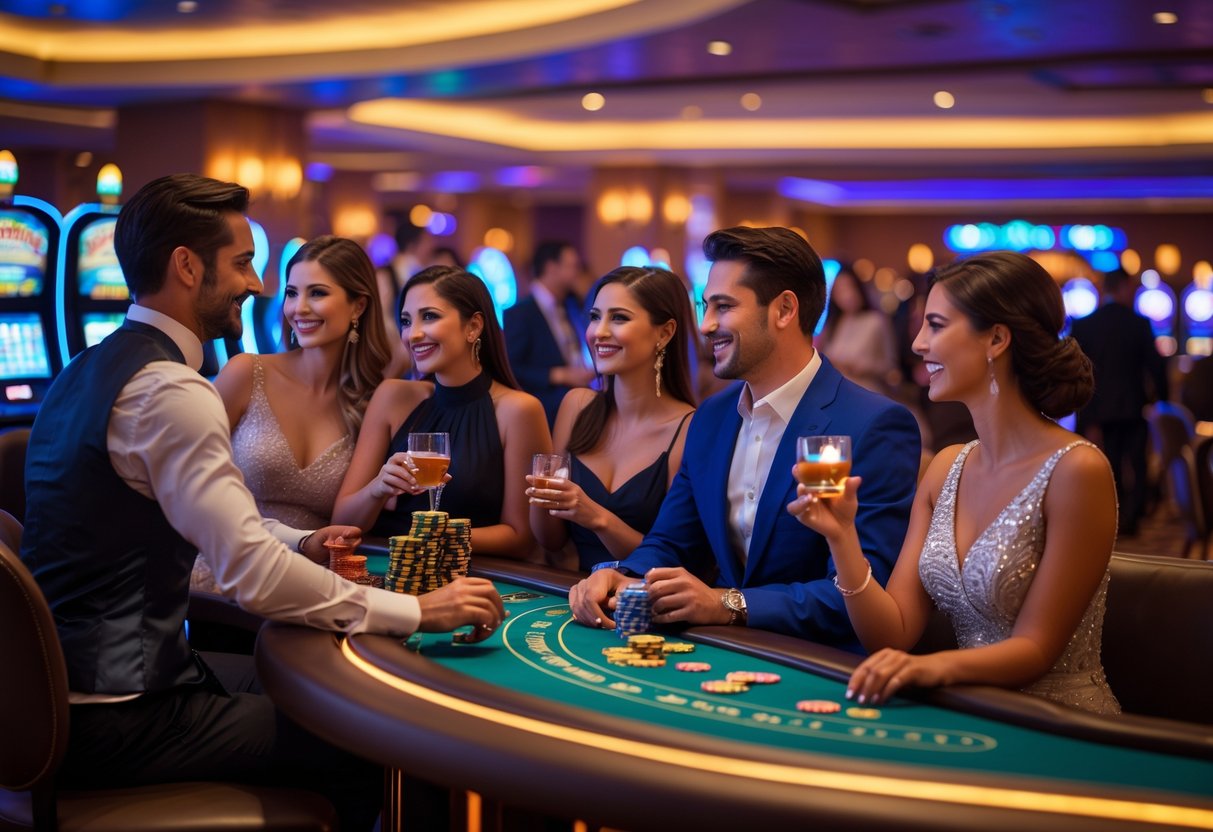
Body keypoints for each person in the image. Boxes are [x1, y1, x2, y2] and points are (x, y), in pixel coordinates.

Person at [18, 174, 505, 831]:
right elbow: (249, 571)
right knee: (373, 735)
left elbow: (220, 523)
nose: (256, 285)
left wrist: (304, 541)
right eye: (243, 263)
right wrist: (414, 610)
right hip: (117, 715)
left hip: (57, 697)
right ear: (187, 268)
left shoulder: (87, 367)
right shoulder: (170, 391)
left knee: (319, 692)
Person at [788, 251, 1120, 715]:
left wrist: (931, 670)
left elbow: (1036, 649)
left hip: (1060, 725)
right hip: (971, 710)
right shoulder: (945, 467)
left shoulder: (1077, 470)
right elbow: (894, 632)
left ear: (996, 339)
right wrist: (842, 537)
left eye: (937, 326)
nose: (919, 343)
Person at [568, 227, 920, 646]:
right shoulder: (714, 416)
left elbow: (861, 592)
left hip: (823, 666)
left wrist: (728, 603)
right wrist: (621, 572)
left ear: (784, 310)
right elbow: (672, 541)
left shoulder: (869, 424)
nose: (704, 325)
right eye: (704, 306)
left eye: (723, 307)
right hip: (729, 652)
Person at [190, 236, 394, 593]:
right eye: (291, 293)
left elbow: (349, 526)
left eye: (317, 293)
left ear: (358, 306)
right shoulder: (246, 372)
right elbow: (187, 485)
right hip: (224, 579)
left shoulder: (371, 402)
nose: (299, 308)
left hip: (313, 587)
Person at [334, 265, 550, 558]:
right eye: (406, 321)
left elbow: (521, 537)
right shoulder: (393, 396)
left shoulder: (518, 410)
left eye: (430, 316)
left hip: (468, 578)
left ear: (473, 326)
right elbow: (341, 523)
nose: (413, 334)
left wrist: (435, 533)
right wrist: (378, 488)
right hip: (383, 569)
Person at [528, 266, 696, 572]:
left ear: (665, 332)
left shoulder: (689, 429)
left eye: (619, 318)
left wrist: (596, 517)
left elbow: (675, 565)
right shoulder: (577, 405)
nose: (599, 332)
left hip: (644, 607)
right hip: (572, 597)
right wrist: (542, 498)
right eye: (595, 316)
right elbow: (550, 541)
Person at [1071, 267, 1168, 536]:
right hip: (1132, 407)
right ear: (1125, 287)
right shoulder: (1139, 323)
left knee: (1106, 465)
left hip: (1096, 410)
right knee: (1136, 463)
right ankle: (1132, 518)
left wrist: (1080, 410)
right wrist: (1163, 401)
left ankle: (1109, 515)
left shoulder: (1084, 324)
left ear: (1103, 289)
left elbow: (1075, 371)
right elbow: (1156, 368)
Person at [504, 241, 597, 426]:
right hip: (543, 410)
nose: (577, 272)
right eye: (572, 266)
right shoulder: (521, 312)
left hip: (577, 400)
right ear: (551, 268)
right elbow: (511, 368)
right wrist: (558, 375)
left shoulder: (570, 304)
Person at [817, 264, 899, 394]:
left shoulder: (875, 321)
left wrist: (863, 368)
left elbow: (889, 365)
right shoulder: (836, 323)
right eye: (840, 290)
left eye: (850, 287)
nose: (847, 295)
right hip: (836, 391)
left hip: (866, 391)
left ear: (859, 288)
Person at [376, 219, 433, 378]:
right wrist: (401, 346)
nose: (430, 248)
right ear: (412, 244)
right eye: (427, 242)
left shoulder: (423, 273)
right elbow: (381, 317)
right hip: (392, 356)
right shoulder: (385, 275)